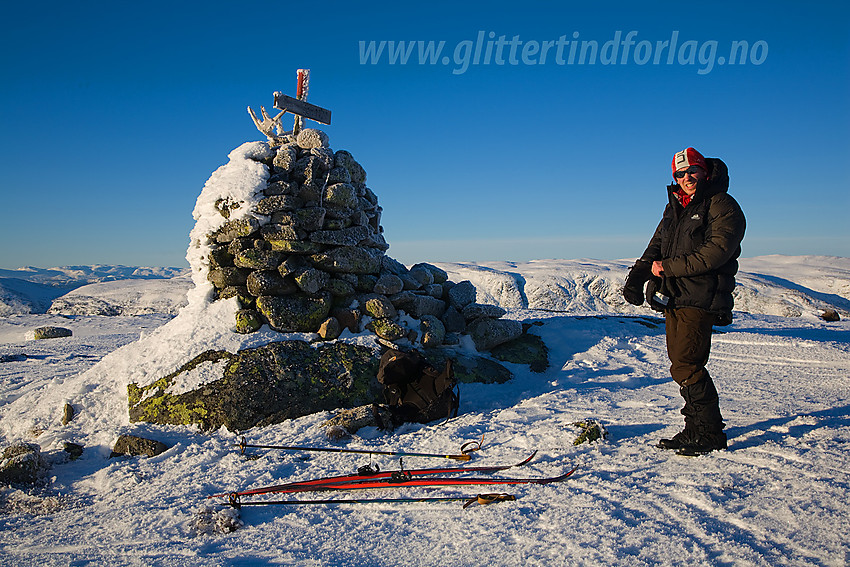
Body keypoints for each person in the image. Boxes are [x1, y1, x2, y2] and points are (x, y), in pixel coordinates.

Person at [623, 147, 746, 456]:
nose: (687, 178)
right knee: (681, 364)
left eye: (693, 171)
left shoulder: (721, 205)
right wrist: (637, 277)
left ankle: (709, 433)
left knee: (687, 364)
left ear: (705, 172)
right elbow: (656, 246)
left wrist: (668, 268)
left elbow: (717, 251)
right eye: (680, 174)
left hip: (701, 295)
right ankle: (695, 429)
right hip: (674, 296)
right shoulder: (676, 207)